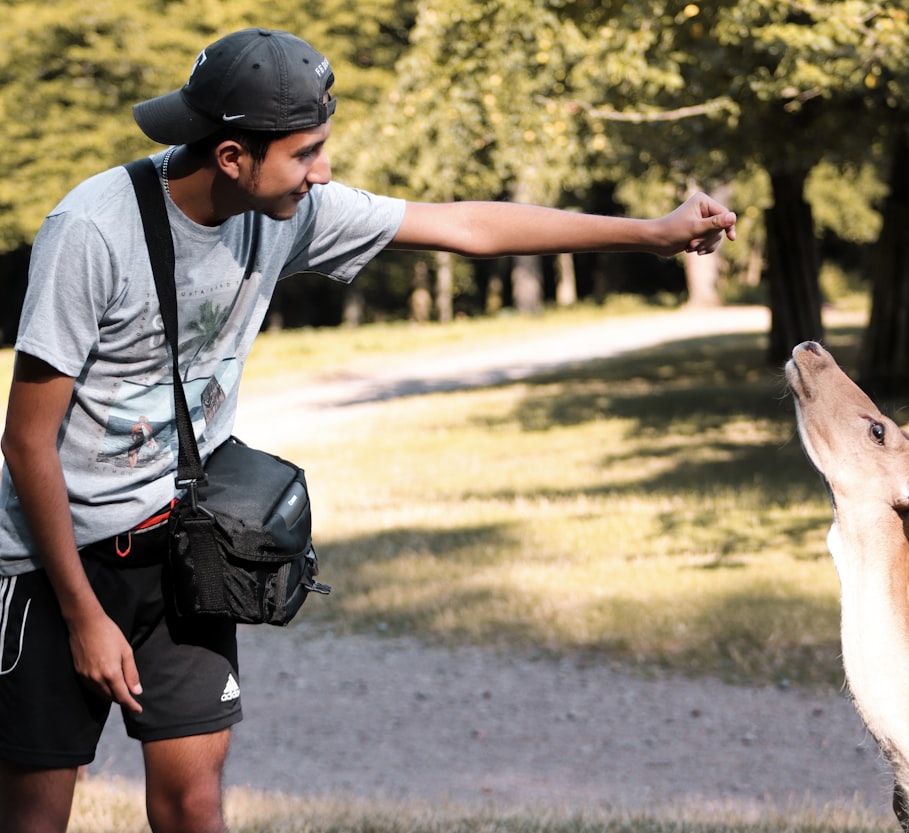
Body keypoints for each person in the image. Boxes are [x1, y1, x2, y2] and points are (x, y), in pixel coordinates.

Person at [0, 27, 737, 833]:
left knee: (194, 803)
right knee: (36, 813)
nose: (323, 172)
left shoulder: (290, 211)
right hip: (55, 561)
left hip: (180, 548)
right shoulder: (93, 232)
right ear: (232, 157)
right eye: (305, 153)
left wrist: (653, 233)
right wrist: (82, 614)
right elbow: (26, 438)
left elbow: (467, 227)